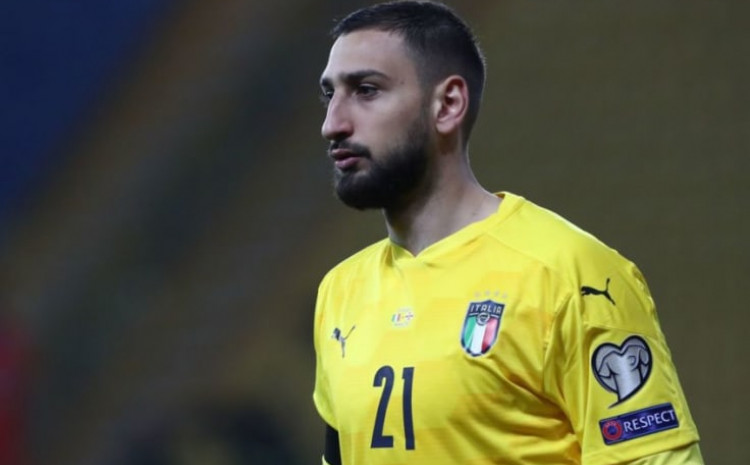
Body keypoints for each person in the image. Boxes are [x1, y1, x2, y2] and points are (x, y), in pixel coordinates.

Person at [312, 2, 703, 464]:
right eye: (329, 94)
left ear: (448, 104)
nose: (332, 124)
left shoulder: (569, 275)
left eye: (366, 90)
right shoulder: (340, 292)